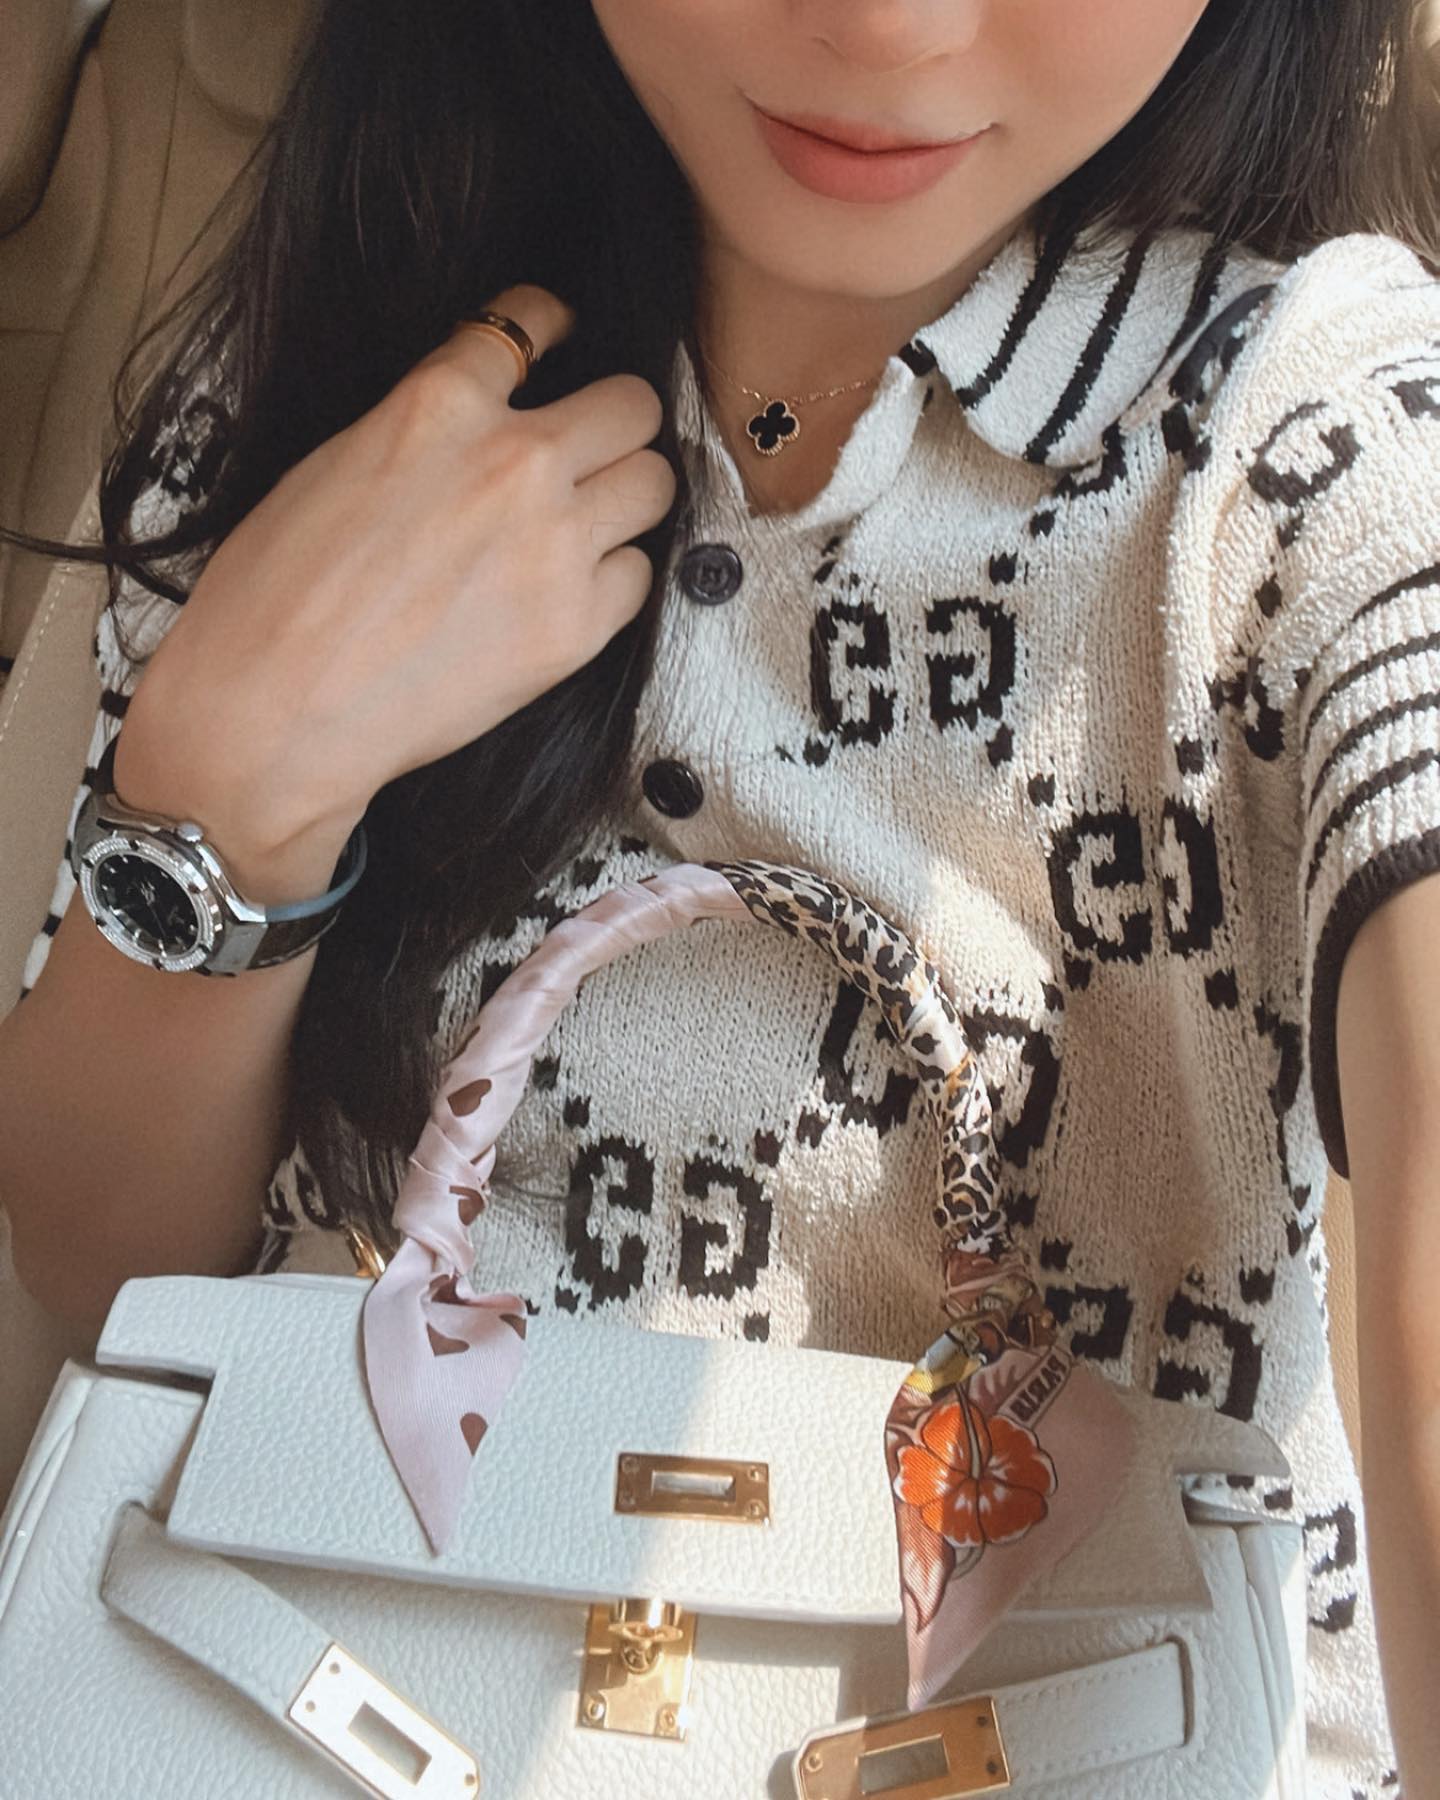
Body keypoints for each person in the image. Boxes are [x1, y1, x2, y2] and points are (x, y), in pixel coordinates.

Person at [1, 0, 1438, 1789]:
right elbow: (109, 1266)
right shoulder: (357, 328)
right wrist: (223, 784)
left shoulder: (1325, 432)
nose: (885, 26)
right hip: (277, 1692)